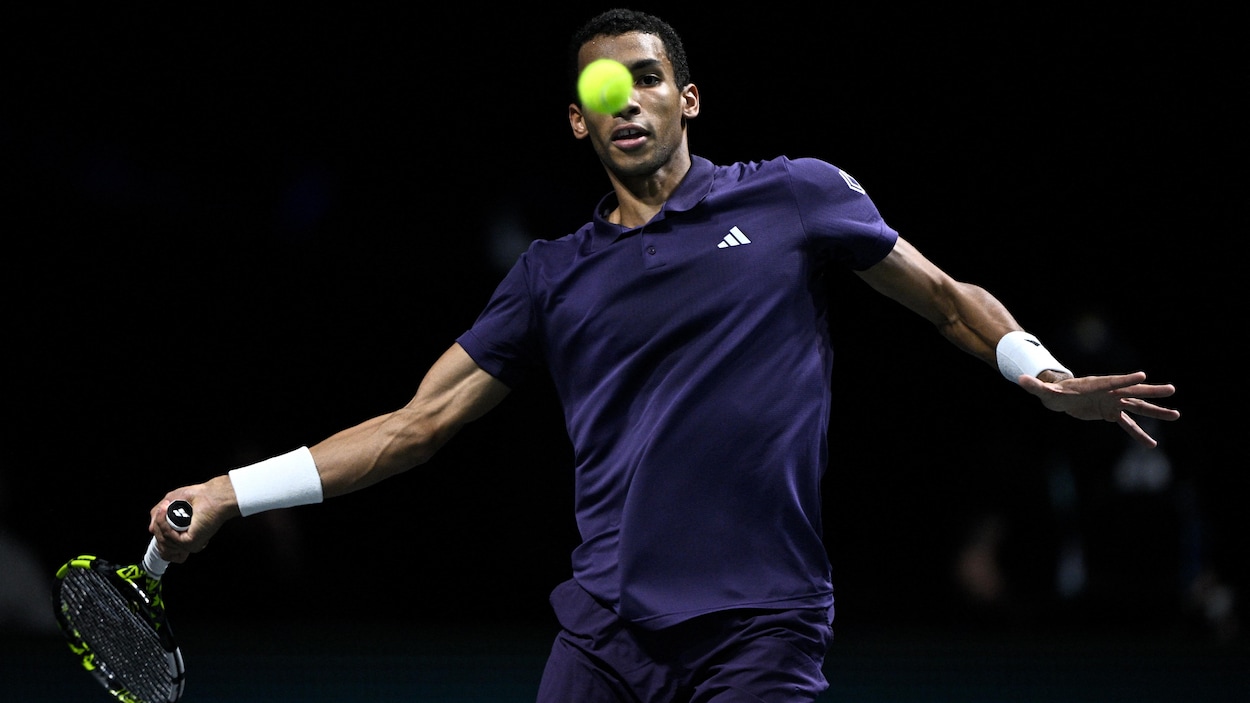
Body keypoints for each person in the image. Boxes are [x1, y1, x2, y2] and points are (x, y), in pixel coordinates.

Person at [149, 8, 1181, 701]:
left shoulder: (793, 196)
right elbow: (411, 426)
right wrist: (233, 490)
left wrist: (1035, 372)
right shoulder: (551, 275)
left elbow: (947, 299)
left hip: (760, 625)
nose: (628, 100)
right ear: (578, 121)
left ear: (688, 99)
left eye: (649, 80)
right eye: (607, 88)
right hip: (604, 632)